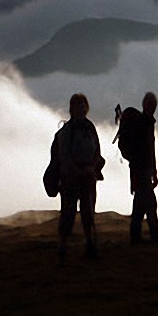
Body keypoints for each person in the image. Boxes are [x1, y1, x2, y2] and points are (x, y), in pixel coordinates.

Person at [56, 94, 104, 261]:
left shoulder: (89, 128)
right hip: (71, 178)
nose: (81, 108)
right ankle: (63, 246)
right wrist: (81, 170)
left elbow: (97, 152)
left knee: (88, 212)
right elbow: (64, 156)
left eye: (83, 105)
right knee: (68, 213)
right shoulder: (68, 131)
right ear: (72, 108)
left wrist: (92, 167)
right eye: (78, 105)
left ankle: (88, 243)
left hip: (87, 177)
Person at [129, 92, 158, 244]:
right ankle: (154, 236)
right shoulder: (143, 123)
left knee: (140, 205)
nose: (152, 108)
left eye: (153, 105)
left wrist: (154, 171)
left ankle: (137, 236)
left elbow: (150, 150)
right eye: (150, 105)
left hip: (143, 171)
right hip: (141, 171)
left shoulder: (147, 123)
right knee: (149, 204)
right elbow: (146, 150)